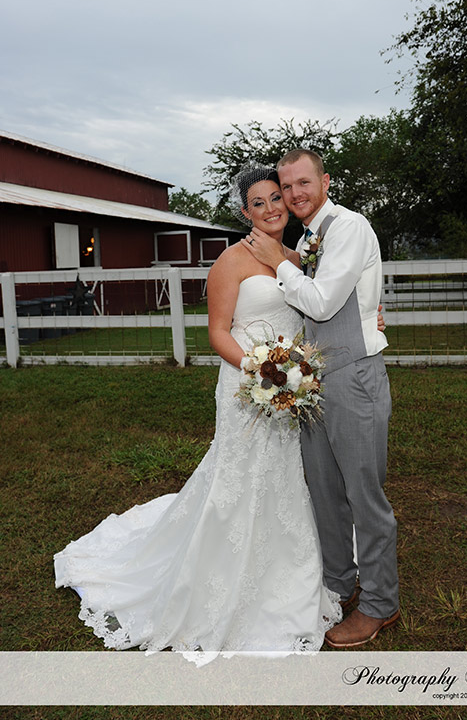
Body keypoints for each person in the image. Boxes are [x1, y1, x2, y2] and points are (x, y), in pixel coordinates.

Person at [54, 164, 341, 661]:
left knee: (285, 475)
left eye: (277, 197)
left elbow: (318, 310)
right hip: (247, 384)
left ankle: (288, 569)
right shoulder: (230, 260)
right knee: (240, 476)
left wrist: (304, 364)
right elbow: (217, 332)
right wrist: (260, 371)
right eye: (258, 203)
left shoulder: (295, 259)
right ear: (245, 212)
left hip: (288, 387)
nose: (271, 208)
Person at [242, 149, 399, 648]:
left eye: (303, 183)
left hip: (353, 377)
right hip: (312, 383)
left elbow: (324, 302)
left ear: (325, 181)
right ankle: (338, 583)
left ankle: (380, 603)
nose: (294, 194)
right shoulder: (309, 239)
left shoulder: (348, 227)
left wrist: (277, 263)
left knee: (363, 494)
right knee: (325, 490)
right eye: (286, 186)